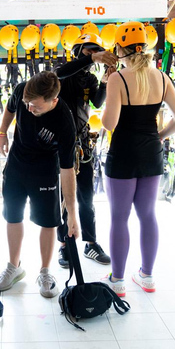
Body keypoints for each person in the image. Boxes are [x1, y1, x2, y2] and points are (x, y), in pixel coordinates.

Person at [100, 22, 175, 297]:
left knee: (119, 217)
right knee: (148, 215)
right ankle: (147, 276)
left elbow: (109, 123)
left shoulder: (118, 78)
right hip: (151, 153)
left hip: (123, 154)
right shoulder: (162, 77)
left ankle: (118, 280)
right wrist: (159, 136)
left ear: (119, 48)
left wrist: (108, 91)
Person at [0, 71, 79, 298]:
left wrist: (72, 213)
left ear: (53, 101)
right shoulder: (23, 90)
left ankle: (45, 272)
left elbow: (67, 170)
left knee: (48, 222)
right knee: (12, 216)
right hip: (16, 164)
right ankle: (14, 267)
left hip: (44, 172)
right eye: (28, 104)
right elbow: (11, 108)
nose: (30, 109)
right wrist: (2, 132)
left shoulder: (64, 122)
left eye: (36, 107)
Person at [55, 34, 118, 268]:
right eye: (87, 51)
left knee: (86, 197)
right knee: (62, 198)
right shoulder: (61, 72)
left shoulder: (89, 78)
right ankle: (64, 245)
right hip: (61, 144)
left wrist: (103, 82)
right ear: (77, 51)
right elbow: (61, 73)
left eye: (95, 51)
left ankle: (90, 243)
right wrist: (93, 59)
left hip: (82, 144)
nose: (92, 54)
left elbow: (97, 103)